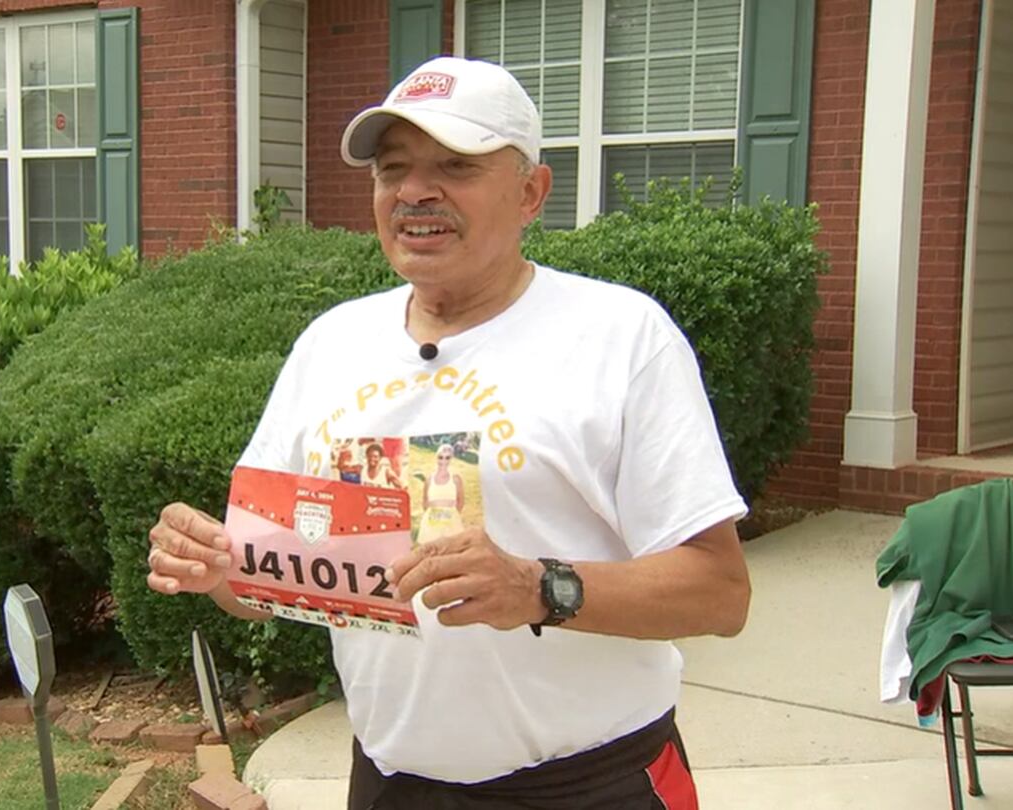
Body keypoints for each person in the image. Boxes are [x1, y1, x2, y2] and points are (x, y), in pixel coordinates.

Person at [145, 55, 750, 809]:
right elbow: (270, 580)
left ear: (531, 191)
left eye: (455, 166)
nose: (414, 191)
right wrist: (220, 569)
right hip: (392, 785)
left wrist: (538, 587)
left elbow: (720, 592)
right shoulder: (331, 345)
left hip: (592, 786)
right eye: (392, 169)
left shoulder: (621, 336)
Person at [416, 442, 465, 543]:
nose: (443, 461)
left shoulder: (456, 479)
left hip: (450, 521)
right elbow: (425, 501)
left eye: (447, 458)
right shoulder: (429, 480)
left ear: (451, 459)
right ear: (436, 458)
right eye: (440, 457)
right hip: (432, 521)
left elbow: (461, 501)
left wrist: (452, 515)